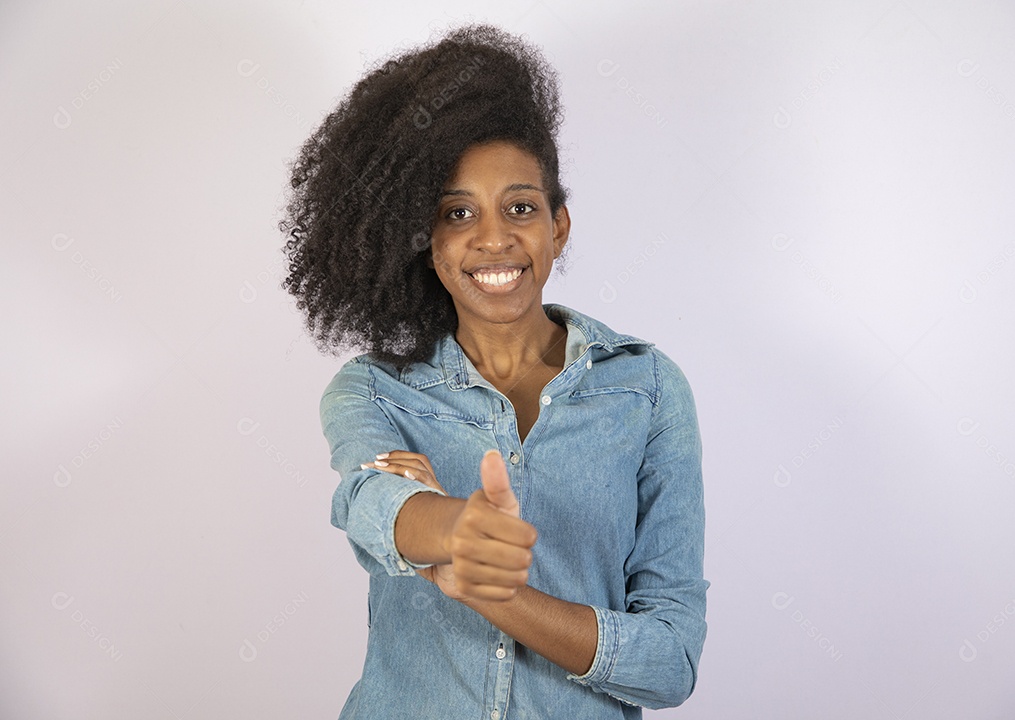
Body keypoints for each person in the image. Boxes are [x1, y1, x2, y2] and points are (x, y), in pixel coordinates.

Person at [280, 23, 708, 719]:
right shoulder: (374, 390)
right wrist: (447, 526)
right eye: (458, 213)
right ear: (423, 241)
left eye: (520, 207)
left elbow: (671, 662)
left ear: (557, 225)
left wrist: (492, 588)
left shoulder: (647, 390)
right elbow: (368, 503)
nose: (494, 237)